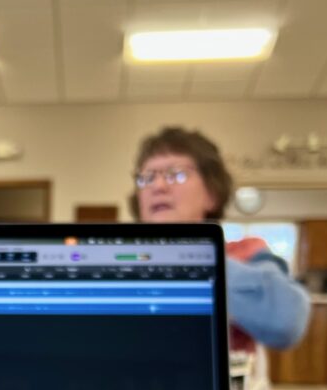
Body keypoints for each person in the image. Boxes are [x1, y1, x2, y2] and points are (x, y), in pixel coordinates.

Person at [129, 126, 310, 350]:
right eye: (146, 177)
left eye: (176, 174)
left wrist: (189, 258)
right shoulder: (122, 260)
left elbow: (286, 322)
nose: (157, 186)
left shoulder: (247, 253)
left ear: (212, 194)